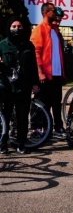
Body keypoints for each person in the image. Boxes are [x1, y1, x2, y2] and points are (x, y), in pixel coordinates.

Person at [0, 17, 40, 154]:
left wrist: (35, 83)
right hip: (7, 87)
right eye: (14, 26)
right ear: (9, 28)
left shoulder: (29, 45)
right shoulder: (2, 45)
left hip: (24, 85)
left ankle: (21, 143)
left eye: (19, 26)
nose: (16, 29)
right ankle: (3, 143)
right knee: (5, 115)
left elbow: (33, 66)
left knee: (23, 117)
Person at [30, 3, 66, 140]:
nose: (55, 13)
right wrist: (40, 72)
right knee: (41, 102)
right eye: (53, 11)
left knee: (56, 102)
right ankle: (36, 129)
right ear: (46, 13)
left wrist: (62, 72)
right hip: (44, 74)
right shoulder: (39, 29)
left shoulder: (55, 30)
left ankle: (57, 128)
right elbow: (36, 52)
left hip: (56, 74)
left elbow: (58, 53)